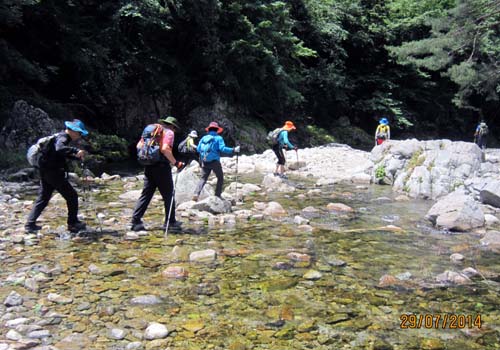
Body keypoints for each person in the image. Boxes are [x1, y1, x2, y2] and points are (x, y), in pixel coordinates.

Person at [25, 119, 88, 233]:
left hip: (45, 171)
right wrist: (76, 150)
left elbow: (60, 153)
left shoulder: (59, 137)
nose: (79, 136)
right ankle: (73, 223)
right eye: (79, 133)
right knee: (72, 196)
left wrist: (75, 157)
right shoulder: (63, 138)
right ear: (72, 131)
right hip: (54, 173)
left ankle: (30, 225)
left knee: (43, 198)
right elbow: (60, 149)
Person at [130, 116, 184, 232]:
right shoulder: (169, 132)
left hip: (149, 166)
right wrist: (176, 163)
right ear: (172, 126)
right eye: (175, 128)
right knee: (168, 195)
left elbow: (138, 146)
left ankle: (136, 221)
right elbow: (165, 149)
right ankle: (170, 222)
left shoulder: (151, 130)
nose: (174, 131)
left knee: (146, 194)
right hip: (161, 167)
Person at [192, 121, 240, 201]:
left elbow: (198, 149)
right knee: (220, 177)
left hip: (204, 161)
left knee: (203, 179)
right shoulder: (218, 138)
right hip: (214, 162)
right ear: (217, 130)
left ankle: (196, 193)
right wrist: (233, 150)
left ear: (209, 130)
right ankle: (217, 195)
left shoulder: (204, 138)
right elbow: (222, 149)